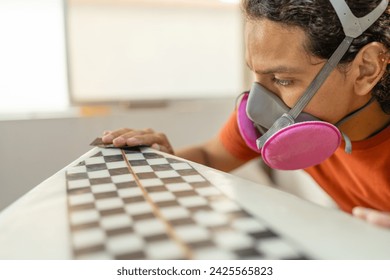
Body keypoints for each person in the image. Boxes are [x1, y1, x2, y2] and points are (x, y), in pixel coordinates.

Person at [101, 0, 390, 228]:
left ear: (366, 69)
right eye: (255, 74)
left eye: (283, 79)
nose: (256, 106)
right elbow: (209, 156)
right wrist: (162, 158)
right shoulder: (273, 120)